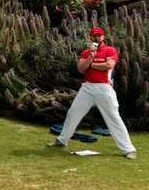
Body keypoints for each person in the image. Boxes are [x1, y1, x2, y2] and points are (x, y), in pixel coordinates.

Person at [48, 28, 137, 159]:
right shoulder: (86, 52)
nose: (97, 38)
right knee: (73, 113)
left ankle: (128, 149)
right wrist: (91, 56)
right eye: (94, 36)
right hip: (87, 88)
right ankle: (62, 140)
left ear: (103, 37)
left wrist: (91, 65)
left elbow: (108, 65)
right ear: (90, 38)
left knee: (114, 119)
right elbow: (81, 69)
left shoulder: (110, 50)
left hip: (104, 89)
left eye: (99, 36)